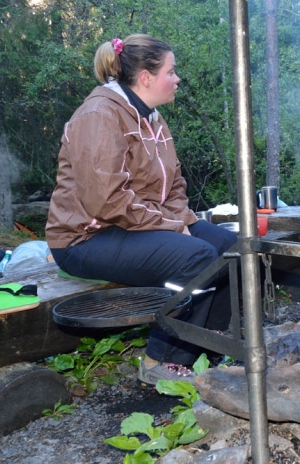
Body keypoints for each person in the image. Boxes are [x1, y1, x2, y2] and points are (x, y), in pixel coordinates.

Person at [46, 34, 237, 384]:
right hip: (86, 237)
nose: (177, 78)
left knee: (231, 249)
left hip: (136, 225)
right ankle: (162, 361)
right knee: (196, 257)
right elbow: (106, 201)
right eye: (171, 71)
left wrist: (178, 219)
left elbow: (174, 185)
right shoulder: (99, 115)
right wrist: (170, 225)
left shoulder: (153, 119)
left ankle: (209, 342)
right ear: (147, 77)